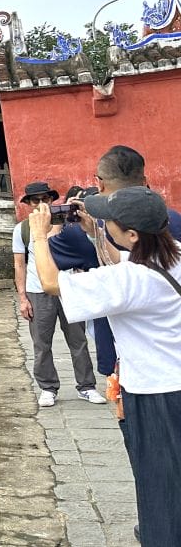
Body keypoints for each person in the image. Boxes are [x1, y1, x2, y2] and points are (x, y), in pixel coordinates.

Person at [29, 186, 181, 547]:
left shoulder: (131, 279)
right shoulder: (170, 257)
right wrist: (96, 228)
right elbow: (121, 260)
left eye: (110, 221)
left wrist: (40, 234)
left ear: (133, 234)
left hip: (158, 396)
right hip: (172, 383)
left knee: (160, 491)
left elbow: (50, 281)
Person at [86, 145, 181, 376]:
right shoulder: (172, 219)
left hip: (134, 357)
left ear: (99, 182)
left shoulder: (107, 224)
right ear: (144, 179)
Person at [13, 180, 103, 407]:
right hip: (38, 289)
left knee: (78, 340)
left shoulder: (69, 225)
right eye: (36, 200)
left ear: (53, 200)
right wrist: (23, 298)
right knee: (41, 342)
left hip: (68, 287)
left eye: (46, 198)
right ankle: (48, 387)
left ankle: (87, 386)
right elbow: (19, 265)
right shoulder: (22, 229)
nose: (41, 203)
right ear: (29, 204)